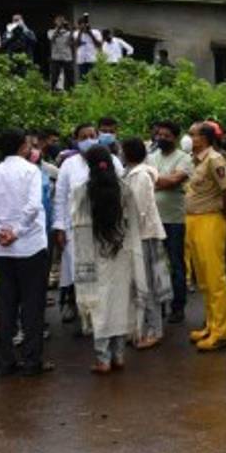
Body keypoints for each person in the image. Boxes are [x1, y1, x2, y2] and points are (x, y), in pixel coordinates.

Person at [0, 129, 53, 376]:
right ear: (23, 146)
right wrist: (16, 232)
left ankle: (6, 360)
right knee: (33, 304)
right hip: (30, 246)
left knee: (6, 303)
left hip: (4, 251)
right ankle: (32, 361)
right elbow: (33, 207)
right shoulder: (31, 171)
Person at [70, 145, 149, 373]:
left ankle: (102, 359)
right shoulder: (124, 189)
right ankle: (119, 356)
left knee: (99, 305)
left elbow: (78, 228)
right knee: (120, 302)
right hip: (121, 252)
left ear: (88, 165)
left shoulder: (81, 191)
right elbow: (134, 223)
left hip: (93, 255)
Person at [54, 123, 124, 331]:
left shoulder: (110, 160)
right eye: (84, 136)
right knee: (80, 270)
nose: (89, 139)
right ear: (76, 140)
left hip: (105, 225)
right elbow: (60, 197)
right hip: (76, 227)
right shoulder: (69, 164)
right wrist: (59, 227)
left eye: (92, 135)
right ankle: (80, 308)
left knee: (105, 269)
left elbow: (122, 191)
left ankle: (104, 312)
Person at [184, 122, 226, 351]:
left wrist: (225, 213)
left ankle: (222, 331)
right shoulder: (198, 161)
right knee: (204, 279)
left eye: (193, 135)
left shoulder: (215, 160)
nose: (189, 138)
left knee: (215, 278)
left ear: (204, 138)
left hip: (210, 220)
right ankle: (211, 325)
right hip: (195, 220)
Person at [123, 138, 172, 349]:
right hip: (137, 234)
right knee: (138, 284)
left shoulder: (141, 175)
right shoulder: (132, 174)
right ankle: (141, 328)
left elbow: (139, 209)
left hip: (143, 235)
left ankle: (155, 330)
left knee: (148, 283)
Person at [146, 121, 193, 324]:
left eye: (166, 135)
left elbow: (174, 181)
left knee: (176, 264)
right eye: (159, 135)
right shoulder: (151, 157)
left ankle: (178, 306)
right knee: (155, 264)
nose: (161, 138)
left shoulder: (184, 158)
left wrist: (155, 180)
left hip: (175, 219)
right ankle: (160, 304)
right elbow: (146, 181)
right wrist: (161, 181)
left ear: (175, 137)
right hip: (153, 219)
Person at [47, 15, 78, 91]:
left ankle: (71, 93)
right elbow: (52, 38)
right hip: (56, 57)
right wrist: (58, 28)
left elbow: (71, 42)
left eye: (62, 21)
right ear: (55, 22)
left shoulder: (68, 33)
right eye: (59, 21)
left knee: (70, 77)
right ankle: (52, 92)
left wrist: (71, 29)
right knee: (54, 77)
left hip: (67, 57)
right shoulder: (51, 31)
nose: (60, 22)